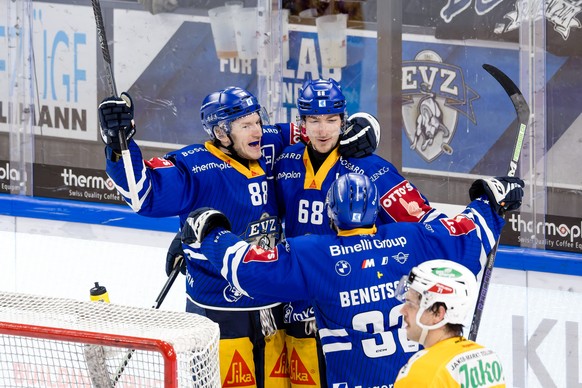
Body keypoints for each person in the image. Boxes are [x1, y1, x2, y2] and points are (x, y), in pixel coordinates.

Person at [99, 86, 379, 388]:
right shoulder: (193, 165)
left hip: (271, 306)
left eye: (257, 121)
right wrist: (119, 143)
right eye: (246, 125)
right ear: (221, 132)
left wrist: (365, 126)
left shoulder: (267, 143)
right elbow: (143, 194)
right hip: (220, 310)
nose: (257, 129)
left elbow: (322, 126)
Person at [179, 173, 524, 387]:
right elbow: (470, 235)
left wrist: (210, 234)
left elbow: (248, 271)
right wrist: (490, 202)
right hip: (411, 378)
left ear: (330, 215)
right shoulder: (414, 239)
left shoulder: (315, 254)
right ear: (376, 210)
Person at [273, 78, 442, 387]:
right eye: (314, 120)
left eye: (331, 120)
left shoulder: (368, 166)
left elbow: (422, 223)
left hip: (350, 310)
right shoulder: (285, 161)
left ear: (343, 120)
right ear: (302, 122)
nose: (323, 130)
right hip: (297, 307)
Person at [394, 259, 506, 386]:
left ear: (438, 314)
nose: (403, 310)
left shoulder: (422, 370)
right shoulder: (488, 359)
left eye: (411, 304)